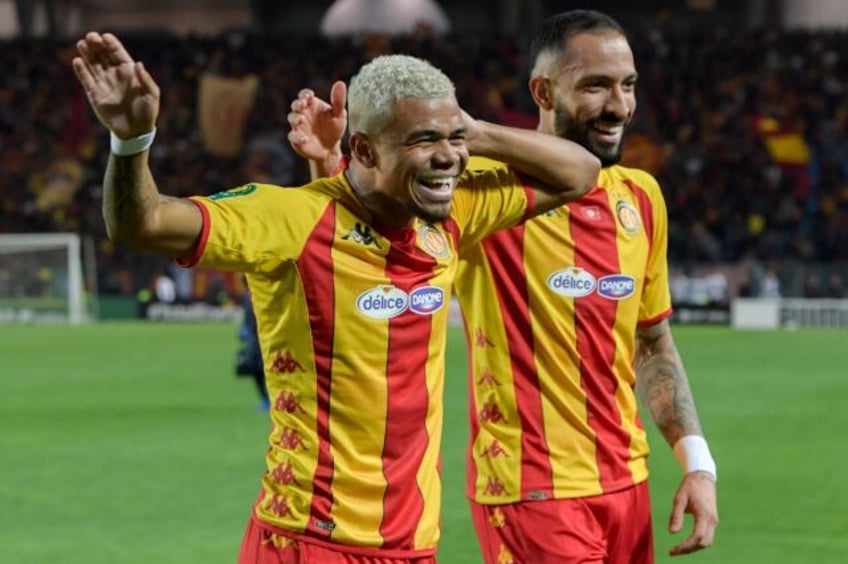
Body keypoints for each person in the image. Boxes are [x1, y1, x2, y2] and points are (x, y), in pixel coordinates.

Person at [71, 32, 600, 563]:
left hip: (413, 542)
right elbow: (143, 223)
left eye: (451, 138)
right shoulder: (292, 219)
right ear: (365, 149)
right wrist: (132, 141)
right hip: (308, 540)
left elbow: (581, 171)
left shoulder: (453, 211)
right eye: (423, 139)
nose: (447, 158)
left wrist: (473, 132)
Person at [288, 10, 718, 563]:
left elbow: (654, 342)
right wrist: (327, 166)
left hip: (627, 485)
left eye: (628, 85)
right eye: (596, 85)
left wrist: (698, 465)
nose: (620, 105)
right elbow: (355, 245)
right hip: (530, 493)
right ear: (542, 90)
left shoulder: (639, 198)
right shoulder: (475, 193)